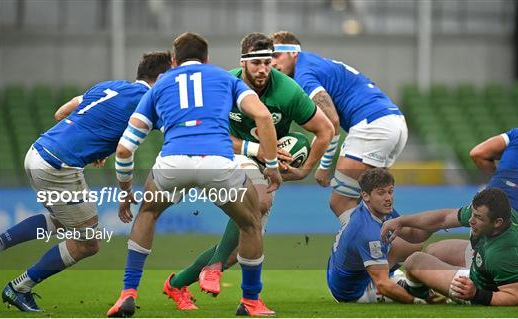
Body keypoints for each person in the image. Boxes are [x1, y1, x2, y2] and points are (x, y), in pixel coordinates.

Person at [106, 32, 282, 318]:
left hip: (173, 162)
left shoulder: (159, 86)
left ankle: (128, 293)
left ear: (174, 61)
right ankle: (250, 301)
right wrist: (271, 166)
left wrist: (126, 194)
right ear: (207, 58)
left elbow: (125, 149)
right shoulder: (226, 79)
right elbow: (262, 116)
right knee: (250, 224)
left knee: (148, 213)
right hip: (218, 162)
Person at [163, 32, 334, 310]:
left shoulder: (287, 90)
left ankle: (177, 283)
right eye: (256, 63)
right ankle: (241, 291)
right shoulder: (224, 86)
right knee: (260, 199)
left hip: (266, 164)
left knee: (240, 247)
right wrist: (256, 150)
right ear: (242, 63)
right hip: (226, 155)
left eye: (267, 62)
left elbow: (325, 130)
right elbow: (209, 130)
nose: (263, 69)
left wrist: (305, 170)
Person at [0, 52, 172, 312]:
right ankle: (19, 287)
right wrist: (125, 193)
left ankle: (0, 242)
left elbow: (61, 113)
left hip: (37, 152)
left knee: (62, 220)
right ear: (160, 78)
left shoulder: (109, 86)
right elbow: (128, 149)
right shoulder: (148, 100)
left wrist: (96, 145)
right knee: (89, 241)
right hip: (58, 166)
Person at [269, 31, 408, 227]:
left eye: (276, 55)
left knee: (340, 201)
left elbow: (331, 120)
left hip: (372, 126)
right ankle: (402, 246)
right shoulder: (314, 63)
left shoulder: (304, 73)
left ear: (293, 53)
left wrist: (319, 167)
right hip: (393, 122)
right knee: (371, 203)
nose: (272, 63)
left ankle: (372, 253)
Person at [425, 127, 518, 298]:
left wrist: (500, 187)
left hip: (488, 214)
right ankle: (476, 287)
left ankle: (465, 282)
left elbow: (478, 153)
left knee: (433, 251)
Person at [381, 188, 518, 306]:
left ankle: (420, 295)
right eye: (472, 214)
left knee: (414, 261)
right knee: (433, 250)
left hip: (478, 286)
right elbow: (444, 218)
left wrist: (477, 294)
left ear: (497, 223)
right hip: (486, 265)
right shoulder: (503, 214)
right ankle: (431, 287)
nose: (471, 221)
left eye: (478, 218)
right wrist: (402, 221)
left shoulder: (504, 253)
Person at [327, 168, 433, 304]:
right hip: (351, 293)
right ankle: (386, 282)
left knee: (413, 245)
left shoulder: (377, 209)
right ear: (365, 196)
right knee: (417, 293)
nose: (388, 198)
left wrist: (435, 225)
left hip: (338, 272)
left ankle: (386, 275)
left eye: (390, 191)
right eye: (381, 193)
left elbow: (413, 235)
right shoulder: (367, 232)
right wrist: (415, 301)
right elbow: (383, 285)